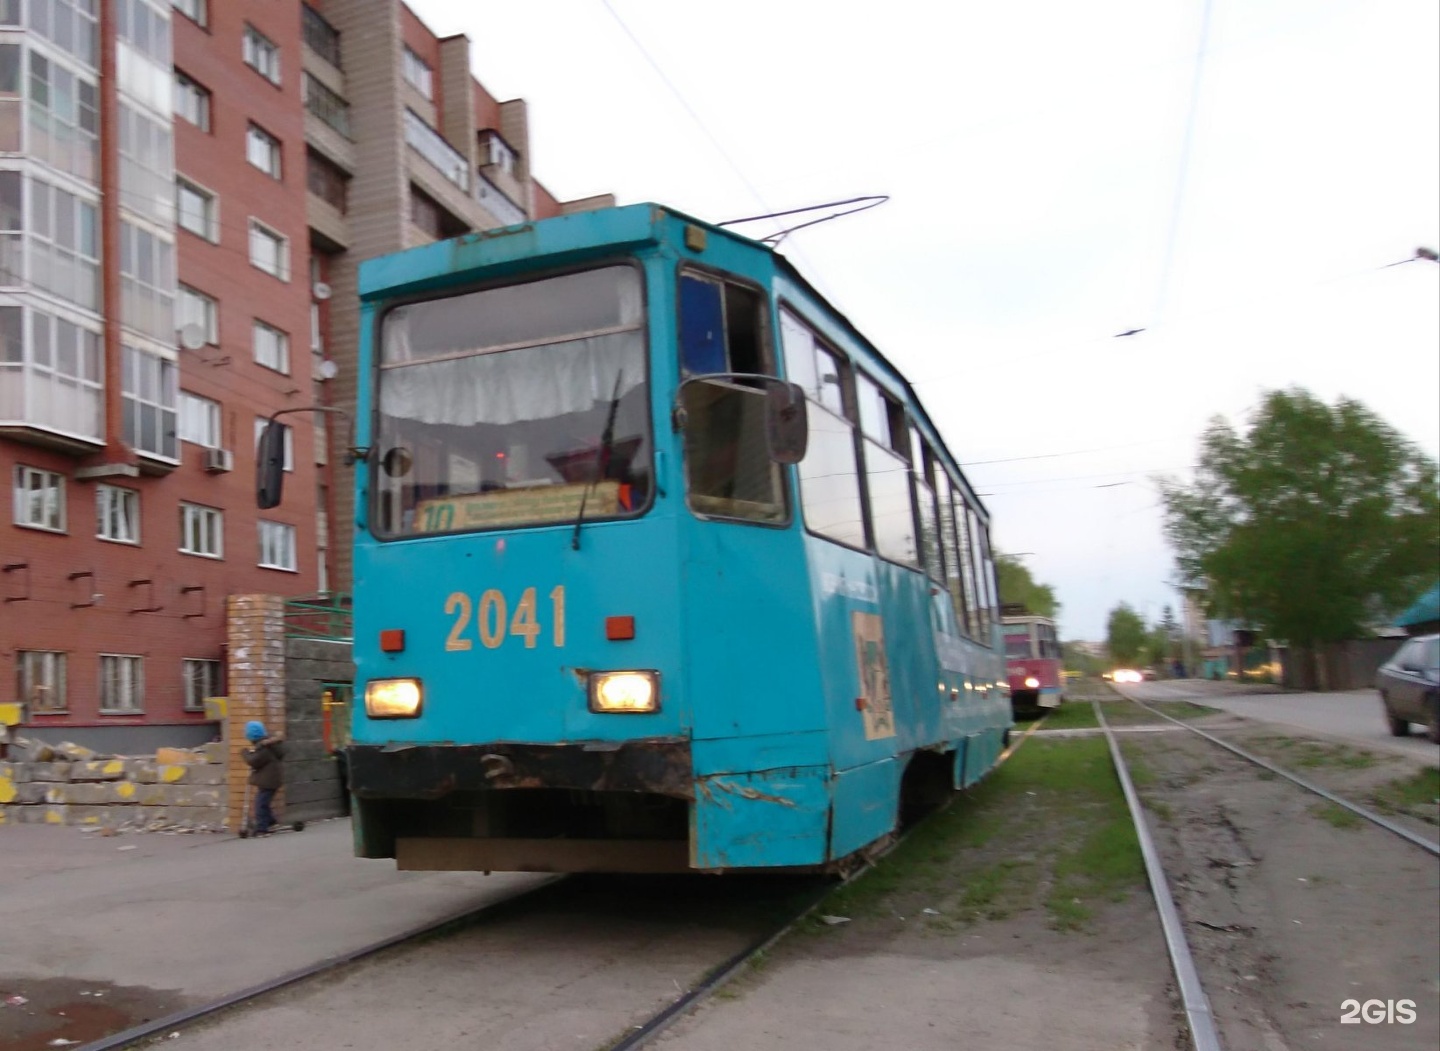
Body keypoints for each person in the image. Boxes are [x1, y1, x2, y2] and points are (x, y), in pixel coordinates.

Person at [241, 720, 285, 835]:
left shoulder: (263, 748)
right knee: (263, 802)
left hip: (268, 781)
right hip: (271, 780)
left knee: (260, 804)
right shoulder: (268, 745)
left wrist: (245, 753)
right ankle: (271, 821)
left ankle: (262, 828)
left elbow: (253, 761)